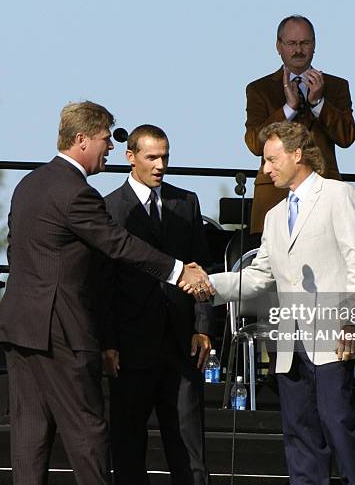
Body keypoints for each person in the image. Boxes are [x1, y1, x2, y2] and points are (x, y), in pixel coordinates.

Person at [0, 101, 210, 485]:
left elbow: (16, 252)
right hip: (60, 330)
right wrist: (177, 270)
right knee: (88, 432)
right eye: (105, 139)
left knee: (30, 434)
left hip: (20, 324)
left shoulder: (29, 184)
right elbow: (118, 244)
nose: (109, 147)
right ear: (81, 140)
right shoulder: (77, 192)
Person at [209, 121, 355, 485]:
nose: (266, 169)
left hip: (333, 335)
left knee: (338, 422)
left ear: (297, 154)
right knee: (299, 431)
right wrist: (208, 285)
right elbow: (258, 277)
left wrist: (353, 320)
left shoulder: (337, 194)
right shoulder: (273, 216)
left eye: (271, 159)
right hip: (289, 340)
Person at [101, 125, 213, 485]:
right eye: (152, 157)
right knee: (129, 447)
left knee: (189, 449)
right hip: (131, 347)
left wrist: (202, 327)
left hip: (181, 345)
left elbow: (201, 269)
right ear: (130, 157)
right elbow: (102, 281)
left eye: (165, 156)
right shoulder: (108, 209)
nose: (161, 165)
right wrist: (108, 342)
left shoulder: (187, 201)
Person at [245, 14, 355, 233]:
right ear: (279, 46)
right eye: (292, 43)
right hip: (274, 195)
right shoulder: (259, 89)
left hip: (323, 190)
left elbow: (347, 137)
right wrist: (288, 108)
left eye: (305, 43)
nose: (298, 50)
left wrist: (318, 103)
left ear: (314, 45)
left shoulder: (336, 86)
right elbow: (254, 144)